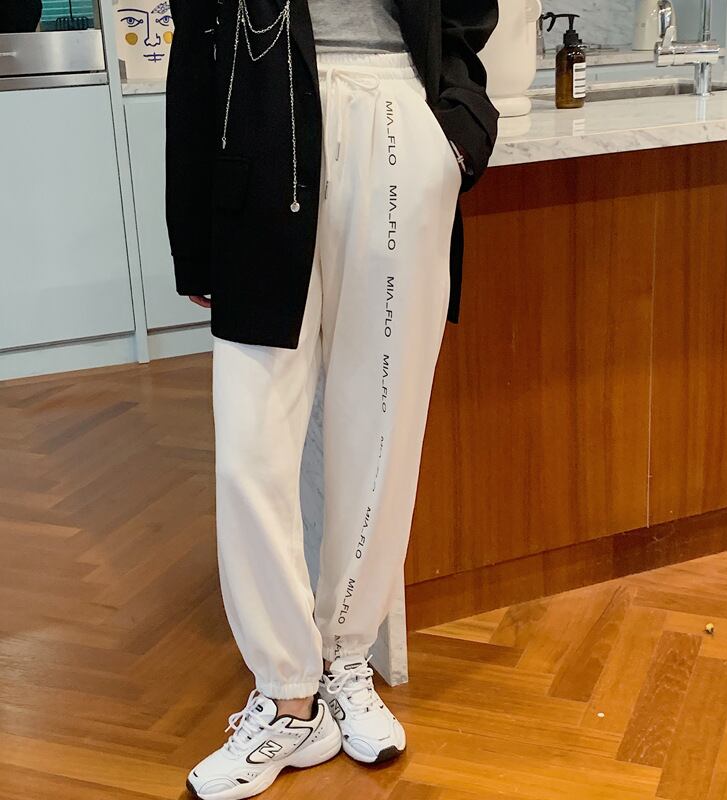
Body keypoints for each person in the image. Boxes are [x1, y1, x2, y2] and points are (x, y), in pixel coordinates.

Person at [164, 1, 499, 797]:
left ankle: (346, 656)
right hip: (260, 125)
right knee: (251, 442)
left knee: (380, 426)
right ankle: (288, 693)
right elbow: (196, 29)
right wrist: (194, 234)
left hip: (398, 126)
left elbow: (466, 15)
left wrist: (455, 134)